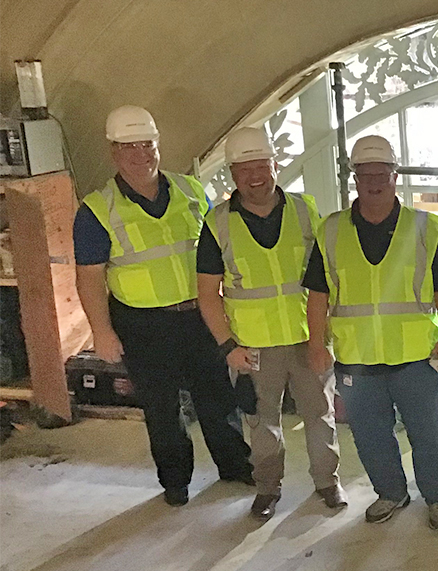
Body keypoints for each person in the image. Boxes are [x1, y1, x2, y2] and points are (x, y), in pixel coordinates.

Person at [74, 105, 252, 507]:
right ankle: (175, 481)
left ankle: (235, 465)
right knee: (162, 408)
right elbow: (88, 279)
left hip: (199, 315)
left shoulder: (191, 190)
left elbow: (219, 247)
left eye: (147, 144)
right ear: (113, 152)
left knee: (217, 398)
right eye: (129, 147)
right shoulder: (97, 210)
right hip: (142, 325)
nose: (141, 155)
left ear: (158, 145)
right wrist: (102, 331)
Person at [304, 135, 438, 530]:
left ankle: (437, 496)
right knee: (370, 435)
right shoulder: (332, 230)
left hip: (416, 356)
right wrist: (316, 343)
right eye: (365, 174)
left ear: (395, 176)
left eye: (381, 174)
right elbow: (318, 293)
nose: (373, 182)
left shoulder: (422, 227)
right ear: (354, 178)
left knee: (429, 434)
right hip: (358, 358)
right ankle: (391, 492)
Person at [196, 127, 344, 521]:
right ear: (232, 174)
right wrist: (229, 347)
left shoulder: (305, 210)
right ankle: (267, 489)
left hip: (307, 338)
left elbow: (326, 276)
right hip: (253, 347)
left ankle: (327, 482)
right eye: (244, 169)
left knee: (320, 415)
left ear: (275, 166)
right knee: (262, 424)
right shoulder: (217, 224)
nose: (254, 176)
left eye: (261, 166)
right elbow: (207, 294)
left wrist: (323, 338)